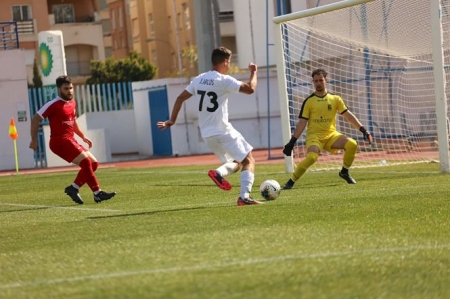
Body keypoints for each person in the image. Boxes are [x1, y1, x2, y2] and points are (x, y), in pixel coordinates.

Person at [157, 47, 262, 206]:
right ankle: (244, 197)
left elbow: (180, 98)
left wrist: (171, 120)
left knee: (237, 162)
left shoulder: (199, 79)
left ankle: (218, 173)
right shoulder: (223, 80)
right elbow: (250, 89)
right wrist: (253, 73)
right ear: (225, 61)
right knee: (249, 160)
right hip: (222, 131)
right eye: (229, 62)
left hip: (207, 135)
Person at [29, 75, 116, 204]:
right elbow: (36, 119)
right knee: (86, 162)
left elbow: (73, 122)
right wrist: (34, 140)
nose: (69, 91)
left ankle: (73, 188)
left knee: (93, 164)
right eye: (66, 88)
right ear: (59, 89)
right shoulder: (53, 104)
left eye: (71, 88)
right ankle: (97, 193)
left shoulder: (72, 103)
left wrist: (83, 137)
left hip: (70, 139)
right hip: (59, 142)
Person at [282, 68, 373, 189]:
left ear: (326, 80)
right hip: (314, 137)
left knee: (352, 144)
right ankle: (290, 182)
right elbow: (302, 122)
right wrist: (292, 142)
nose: (318, 83)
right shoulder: (309, 101)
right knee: (312, 158)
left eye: (321, 80)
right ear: (313, 82)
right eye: (316, 81)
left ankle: (344, 172)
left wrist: (363, 130)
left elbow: (348, 116)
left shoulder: (335, 99)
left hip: (331, 135)